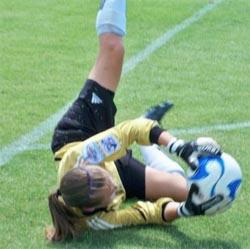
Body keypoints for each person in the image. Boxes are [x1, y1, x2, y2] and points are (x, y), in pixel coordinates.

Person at [46, 0, 222, 242]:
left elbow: (128, 131)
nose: (115, 190)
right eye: (112, 192)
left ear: (93, 167)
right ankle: (147, 145)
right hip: (113, 167)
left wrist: (181, 147)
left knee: (114, 48)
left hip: (79, 132)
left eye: (107, 182)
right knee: (188, 191)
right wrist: (185, 209)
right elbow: (145, 214)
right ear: (91, 209)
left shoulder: (81, 157)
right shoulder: (97, 220)